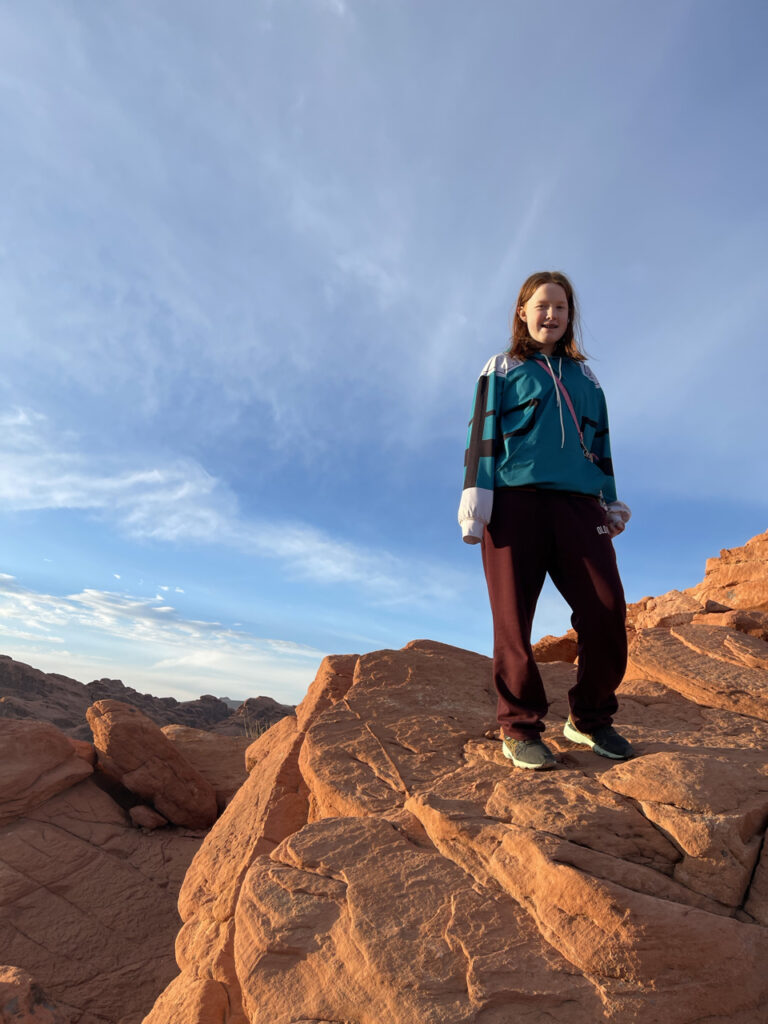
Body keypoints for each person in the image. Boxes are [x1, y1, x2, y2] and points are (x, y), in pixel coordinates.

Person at [458, 270, 634, 770]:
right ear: (523, 312)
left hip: (580, 506)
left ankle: (590, 719)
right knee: (514, 621)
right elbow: (482, 437)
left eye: (560, 307)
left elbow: (600, 444)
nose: (551, 314)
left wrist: (610, 499)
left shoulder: (587, 379)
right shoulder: (503, 367)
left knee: (605, 611)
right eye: (542, 305)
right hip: (514, 504)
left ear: (569, 316)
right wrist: (476, 500)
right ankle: (519, 727)